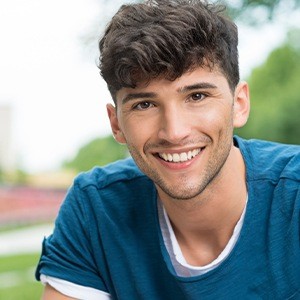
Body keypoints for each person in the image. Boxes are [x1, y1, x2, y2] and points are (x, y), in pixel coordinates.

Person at [35, 0, 300, 299]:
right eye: (144, 104)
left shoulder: (294, 196)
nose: (174, 132)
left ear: (239, 104)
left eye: (197, 96)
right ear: (116, 123)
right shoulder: (95, 210)